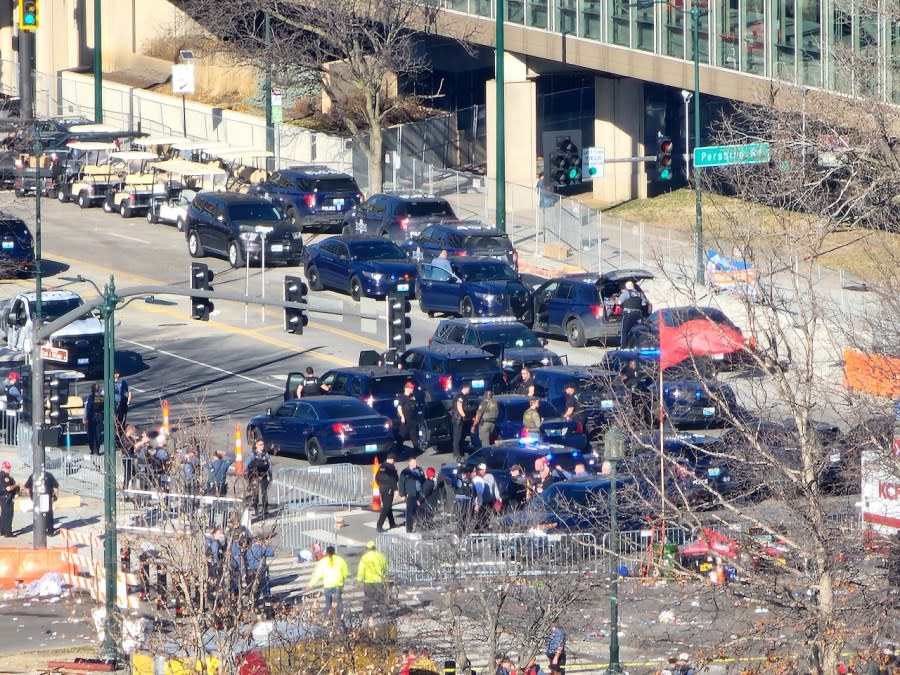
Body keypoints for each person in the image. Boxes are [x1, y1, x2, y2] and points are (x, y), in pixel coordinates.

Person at [307, 545, 349, 621]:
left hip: (328, 584)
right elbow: (345, 572)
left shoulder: (323, 562)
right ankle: (340, 616)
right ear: (334, 552)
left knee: (328, 603)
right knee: (339, 601)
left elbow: (317, 574)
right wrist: (343, 580)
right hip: (338, 584)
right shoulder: (340, 560)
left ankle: (326, 617)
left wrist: (311, 584)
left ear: (326, 552)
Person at [356, 540, 389, 617]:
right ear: (375, 548)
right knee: (381, 600)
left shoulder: (365, 557)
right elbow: (385, 567)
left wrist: (359, 579)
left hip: (368, 581)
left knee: (368, 600)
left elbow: (361, 569)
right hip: (378, 581)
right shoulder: (380, 556)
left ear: (367, 548)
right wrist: (384, 574)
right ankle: (383, 616)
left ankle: (366, 616)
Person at [24, 469, 60, 536]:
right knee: (48, 514)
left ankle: (40, 530)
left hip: (37, 498)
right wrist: (56, 497)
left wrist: (31, 497)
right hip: (47, 497)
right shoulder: (49, 475)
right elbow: (56, 487)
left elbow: (26, 487)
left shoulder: (33, 476)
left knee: (38, 514)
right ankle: (49, 531)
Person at [245, 440, 272, 518]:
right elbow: (246, 465)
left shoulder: (265, 455)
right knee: (255, 494)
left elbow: (270, 466)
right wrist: (246, 475)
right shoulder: (252, 455)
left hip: (263, 476)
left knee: (264, 493)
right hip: (254, 476)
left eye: (263, 444)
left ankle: (265, 510)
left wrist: (270, 476)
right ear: (256, 445)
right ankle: (256, 510)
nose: (262, 446)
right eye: (260, 445)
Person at [398, 457, 426, 534]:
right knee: (410, 512)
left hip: (419, 493)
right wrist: (402, 494)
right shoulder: (405, 472)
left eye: (415, 462)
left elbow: (423, 480)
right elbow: (401, 484)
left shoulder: (419, 470)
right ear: (409, 463)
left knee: (419, 511)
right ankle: (409, 529)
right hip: (410, 494)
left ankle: (420, 526)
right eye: (413, 463)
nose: (415, 464)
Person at [617, 280, 648, 347]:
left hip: (628, 315)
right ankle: (636, 345)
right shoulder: (640, 294)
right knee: (637, 331)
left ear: (626, 287)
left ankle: (623, 346)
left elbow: (619, 303)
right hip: (638, 315)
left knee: (625, 331)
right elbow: (644, 304)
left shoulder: (626, 293)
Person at [245, 535, 275, 601]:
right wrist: (267, 545)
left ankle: (253, 604)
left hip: (251, 572)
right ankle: (267, 604)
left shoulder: (249, 550)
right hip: (261, 571)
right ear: (260, 541)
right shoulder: (261, 549)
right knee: (265, 588)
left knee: (254, 589)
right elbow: (272, 553)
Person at [375, 453, 399, 532]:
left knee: (388, 506)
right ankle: (379, 525)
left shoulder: (382, 466)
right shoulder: (391, 467)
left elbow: (376, 477)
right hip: (389, 488)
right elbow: (394, 480)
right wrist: (396, 490)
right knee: (386, 507)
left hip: (382, 488)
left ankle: (392, 523)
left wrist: (381, 485)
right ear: (392, 460)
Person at [473, 462, 501, 526]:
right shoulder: (476, 479)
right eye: (478, 469)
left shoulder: (490, 477)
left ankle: (485, 526)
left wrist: (498, 497)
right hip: (480, 502)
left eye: (480, 470)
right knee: (480, 516)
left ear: (484, 470)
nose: (478, 471)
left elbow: (495, 487)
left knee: (487, 515)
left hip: (489, 501)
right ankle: (479, 527)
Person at [396, 381, 420, 452]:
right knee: (402, 434)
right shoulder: (402, 397)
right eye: (411, 388)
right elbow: (399, 408)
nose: (412, 389)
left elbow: (415, 406)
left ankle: (416, 448)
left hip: (413, 419)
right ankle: (399, 448)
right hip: (405, 419)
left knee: (414, 434)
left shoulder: (412, 397)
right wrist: (402, 417)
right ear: (407, 388)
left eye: (413, 388)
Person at [451, 383, 473, 460]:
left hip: (459, 419)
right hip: (458, 418)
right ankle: (456, 454)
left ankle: (460, 452)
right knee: (457, 436)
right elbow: (459, 406)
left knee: (460, 436)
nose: (470, 391)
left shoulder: (462, 396)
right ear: (465, 388)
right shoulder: (460, 396)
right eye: (469, 389)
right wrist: (463, 415)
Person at [83, 383, 104, 455]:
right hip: (100, 416)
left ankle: (92, 449)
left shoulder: (91, 397)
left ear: (92, 390)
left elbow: (88, 408)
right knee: (98, 434)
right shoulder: (102, 397)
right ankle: (97, 450)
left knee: (91, 434)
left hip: (91, 417)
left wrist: (85, 417)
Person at [0, 460, 19, 537]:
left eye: (9, 468)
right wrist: (16, 485)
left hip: (2, 497)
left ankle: (2, 531)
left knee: (3, 515)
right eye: (8, 468)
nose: (9, 469)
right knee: (8, 515)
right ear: (3, 468)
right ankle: (8, 533)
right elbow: (8, 488)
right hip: (7, 498)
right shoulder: (5, 477)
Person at [4, 371, 22, 445]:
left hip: (9, 407)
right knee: (14, 425)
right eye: (16, 379)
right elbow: (19, 398)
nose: (17, 381)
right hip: (14, 408)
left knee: (9, 425)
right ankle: (12, 440)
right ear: (14, 379)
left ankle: (8, 440)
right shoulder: (13, 388)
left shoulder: (7, 387)